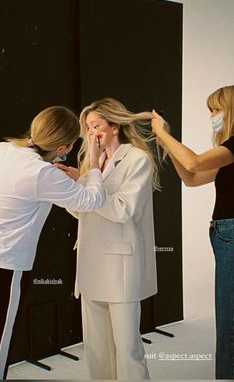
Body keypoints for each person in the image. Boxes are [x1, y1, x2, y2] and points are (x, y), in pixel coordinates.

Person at [0, 105, 104, 380]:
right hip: (8, 267)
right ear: (62, 147)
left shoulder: (4, 150)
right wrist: (93, 164)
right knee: (0, 341)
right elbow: (92, 200)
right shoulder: (43, 174)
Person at [59, 97, 161, 379]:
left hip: (120, 269)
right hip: (91, 267)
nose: (92, 135)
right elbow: (84, 212)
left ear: (115, 126)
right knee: (96, 350)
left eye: (97, 127)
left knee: (127, 349)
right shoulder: (96, 162)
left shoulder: (137, 160)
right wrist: (73, 187)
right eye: (89, 129)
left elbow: (123, 210)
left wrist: (90, 177)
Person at [151, 85, 234, 380]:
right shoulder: (228, 153)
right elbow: (191, 177)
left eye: (215, 109)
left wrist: (163, 134)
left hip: (232, 234)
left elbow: (194, 162)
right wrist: (166, 146)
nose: (212, 116)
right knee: (229, 312)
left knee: (231, 316)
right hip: (226, 234)